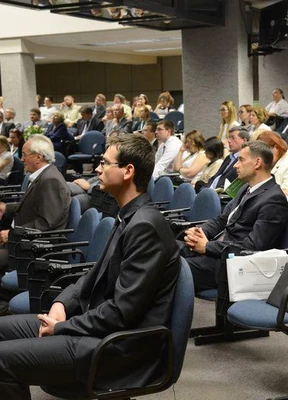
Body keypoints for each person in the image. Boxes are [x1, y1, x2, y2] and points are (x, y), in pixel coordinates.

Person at [0, 134, 181, 399]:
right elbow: (92, 275)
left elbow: (122, 313)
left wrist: (61, 327)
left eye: (105, 163)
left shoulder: (145, 227)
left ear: (128, 171)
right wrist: (62, 304)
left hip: (117, 347)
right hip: (94, 326)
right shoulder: (129, 216)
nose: (97, 169)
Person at [182, 140, 288, 291]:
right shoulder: (246, 187)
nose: (235, 165)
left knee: (172, 269)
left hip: (233, 266)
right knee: (165, 252)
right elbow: (222, 220)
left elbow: (252, 246)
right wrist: (200, 232)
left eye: (241, 160)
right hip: (219, 252)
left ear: (257, 162)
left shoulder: (274, 199)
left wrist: (207, 247)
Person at [0, 135, 71, 271]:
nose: (21, 159)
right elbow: (32, 205)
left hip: (34, 249)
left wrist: (11, 234)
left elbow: (47, 223)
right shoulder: (44, 175)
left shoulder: (51, 180)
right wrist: (6, 207)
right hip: (23, 240)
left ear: (38, 157)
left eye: (25, 155)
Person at [258, 130, 288, 205]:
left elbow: (286, 199)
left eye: (265, 152)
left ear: (276, 147)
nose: (262, 156)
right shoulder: (272, 161)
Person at [203, 126, 250, 191]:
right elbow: (216, 177)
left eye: (233, 138)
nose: (229, 141)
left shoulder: (245, 161)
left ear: (244, 141)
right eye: (229, 137)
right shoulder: (229, 157)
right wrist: (204, 190)